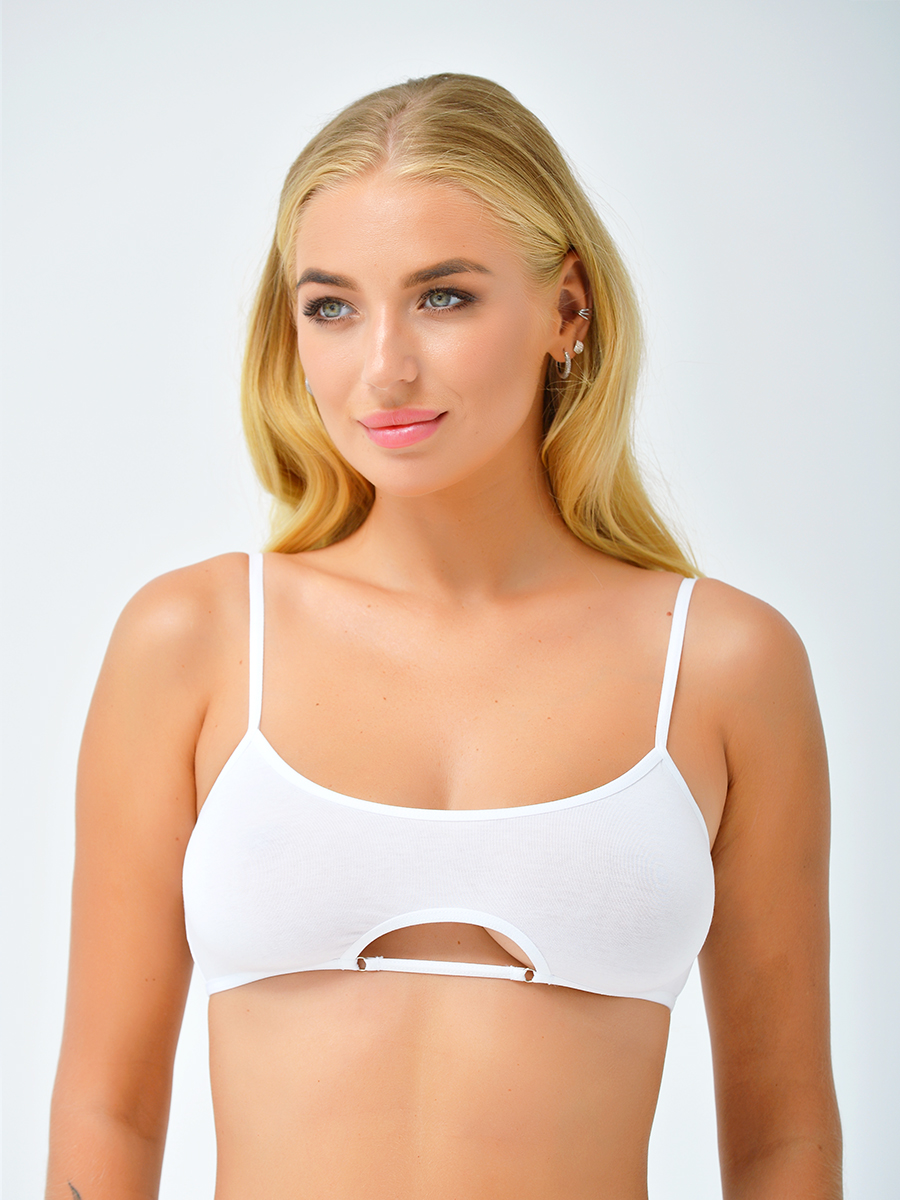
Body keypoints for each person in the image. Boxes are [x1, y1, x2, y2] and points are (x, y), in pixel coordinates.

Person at [46, 73, 842, 1199]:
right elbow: (107, 1110)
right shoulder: (194, 642)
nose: (385, 368)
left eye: (445, 297)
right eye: (332, 308)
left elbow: (784, 1139)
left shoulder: (723, 665)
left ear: (568, 309)